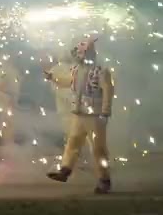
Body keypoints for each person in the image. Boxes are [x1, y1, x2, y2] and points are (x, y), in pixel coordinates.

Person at [44, 37, 115, 194]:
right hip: (79, 113)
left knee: (98, 149)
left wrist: (105, 111)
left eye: (80, 53)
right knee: (73, 142)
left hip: (95, 115)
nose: (76, 55)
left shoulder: (101, 71)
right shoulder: (77, 70)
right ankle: (65, 170)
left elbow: (108, 91)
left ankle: (104, 179)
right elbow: (68, 82)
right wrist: (53, 78)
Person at [0, 55, 22, 149]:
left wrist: (7, 97)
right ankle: (8, 145)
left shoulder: (8, 72)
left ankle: (8, 146)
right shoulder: (10, 72)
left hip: (6, 103)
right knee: (6, 126)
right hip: (6, 102)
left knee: (7, 126)